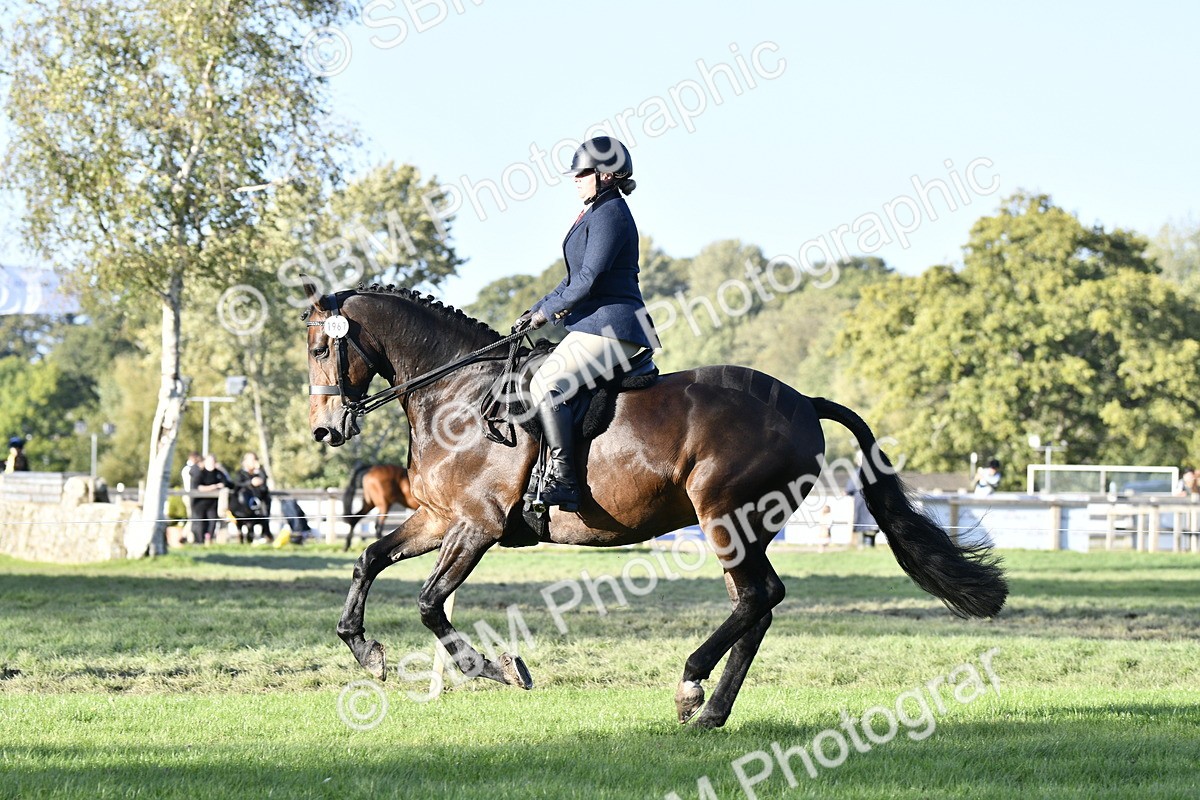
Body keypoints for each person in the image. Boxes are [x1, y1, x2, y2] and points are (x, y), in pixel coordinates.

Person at [512, 136, 659, 511]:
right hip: (594, 325)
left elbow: (589, 279)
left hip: (615, 324)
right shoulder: (594, 212)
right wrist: (535, 310)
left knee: (548, 383)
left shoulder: (611, 214)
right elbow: (570, 279)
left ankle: (565, 479)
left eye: (583, 172)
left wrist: (549, 313)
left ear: (607, 174)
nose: (575, 178)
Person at [191, 453, 230, 544]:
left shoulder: (219, 473)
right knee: (200, 524)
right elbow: (197, 487)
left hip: (212, 504)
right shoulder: (200, 473)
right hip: (200, 504)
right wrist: (213, 487)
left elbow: (227, 483)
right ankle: (199, 542)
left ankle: (209, 540)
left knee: (212, 523)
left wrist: (222, 485)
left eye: (213, 461)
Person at [234, 451, 272, 542]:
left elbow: (264, 489)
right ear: (245, 461)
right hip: (243, 506)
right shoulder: (240, 473)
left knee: (264, 512)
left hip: (258, 504)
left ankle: (265, 536)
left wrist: (260, 472)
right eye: (250, 460)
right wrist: (250, 483)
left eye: (254, 460)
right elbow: (237, 485)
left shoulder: (260, 473)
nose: (253, 462)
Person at [180, 451, 201, 528]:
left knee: (192, 517)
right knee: (192, 517)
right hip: (189, 495)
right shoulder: (190, 469)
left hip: (189, 494)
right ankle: (185, 535)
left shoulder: (187, 468)